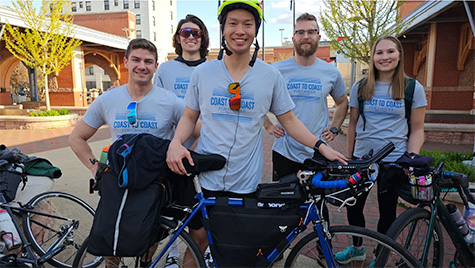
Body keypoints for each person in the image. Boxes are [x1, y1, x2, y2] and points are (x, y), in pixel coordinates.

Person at [166, 0, 347, 264]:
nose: (240, 30)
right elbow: (189, 116)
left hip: (245, 182)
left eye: (247, 24)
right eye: (233, 23)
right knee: (198, 242)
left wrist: (321, 146)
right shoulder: (204, 73)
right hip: (207, 178)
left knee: (241, 251)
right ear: (222, 29)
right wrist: (175, 142)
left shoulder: (270, 75)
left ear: (256, 30)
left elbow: (290, 120)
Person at [69, 38, 200, 268]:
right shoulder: (108, 99)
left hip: (154, 182)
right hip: (119, 180)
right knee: (113, 243)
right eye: (137, 60)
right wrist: (95, 167)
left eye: (149, 61)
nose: (143, 66)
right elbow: (76, 138)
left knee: (148, 243)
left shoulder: (170, 101)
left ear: (156, 66)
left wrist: (182, 154)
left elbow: (198, 131)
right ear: (126, 62)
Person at [335, 35, 427, 265]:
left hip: (394, 161)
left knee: (387, 213)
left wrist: (411, 159)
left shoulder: (412, 88)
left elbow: (417, 129)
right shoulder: (360, 86)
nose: (384, 57)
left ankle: (380, 255)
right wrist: (350, 158)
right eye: (379, 52)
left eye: (390, 52)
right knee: (354, 207)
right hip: (363, 159)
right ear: (373, 57)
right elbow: (353, 124)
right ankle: (357, 248)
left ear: (399, 55)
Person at [153, 14, 209, 268]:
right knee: (171, 206)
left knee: (198, 207)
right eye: (185, 32)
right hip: (172, 149)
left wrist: (198, 143)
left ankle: (199, 252)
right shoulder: (165, 69)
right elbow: (161, 106)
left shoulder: (212, 68)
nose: (190, 37)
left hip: (202, 148)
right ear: (178, 38)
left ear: (202, 37)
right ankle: (173, 251)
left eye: (195, 33)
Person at [264, 12, 348, 181]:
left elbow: (342, 102)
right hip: (285, 151)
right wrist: (267, 125)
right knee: (284, 204)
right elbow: (258, 100)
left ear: (318, 37)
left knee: (317, 203)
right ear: (293, 38)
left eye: (311, 32)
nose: (306, 36)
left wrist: (334, 128)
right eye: (300, 32)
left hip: (319, 151)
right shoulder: (276, 70)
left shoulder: (330, 72)